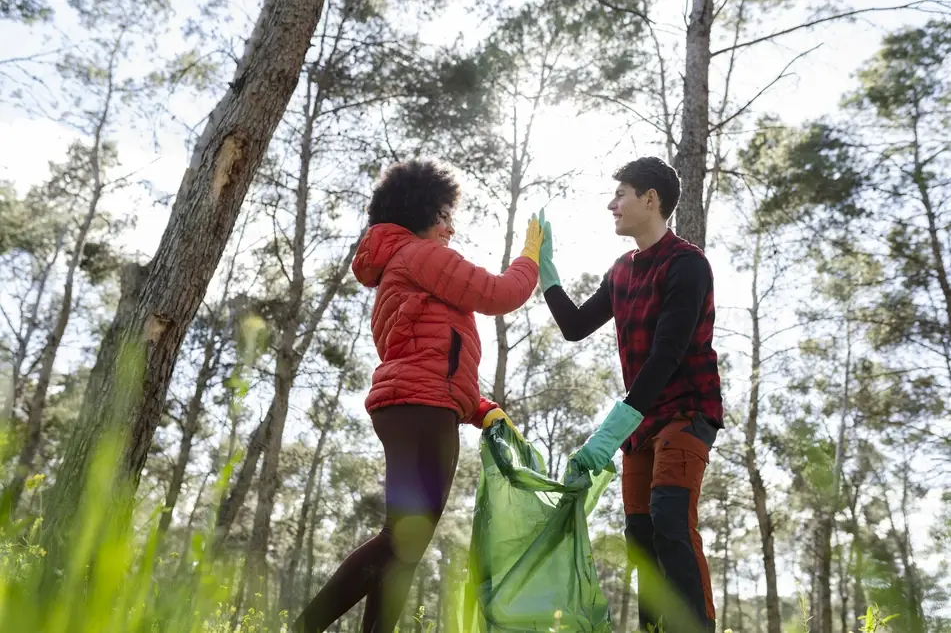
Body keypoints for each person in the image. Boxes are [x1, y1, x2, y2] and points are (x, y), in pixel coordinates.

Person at [292, 159, 543, 633]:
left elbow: (429, 357)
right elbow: (498, 293)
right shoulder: (420, 256)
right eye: (446, 216)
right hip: (422, 411)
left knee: (406, 544)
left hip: (412, 407)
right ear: (425, 212)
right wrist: (530, 255)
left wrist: (480, 409)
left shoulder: (399, 269)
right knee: (401, 538)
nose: (451, 228)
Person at [541, 156, 723, 632]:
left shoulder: (687, 264)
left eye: (620, 194)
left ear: (650, 199)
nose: (611, 205)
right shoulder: (622, 270)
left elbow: (667, 353)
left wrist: (614, 426)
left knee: (669, 518)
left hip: (687, 411)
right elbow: (576, 326)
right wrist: (548, 278)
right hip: (640, 424)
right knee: (640, 535)